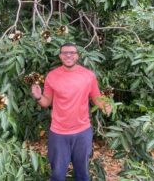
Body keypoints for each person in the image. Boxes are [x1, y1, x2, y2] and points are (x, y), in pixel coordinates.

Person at [31, 42, 112, 181]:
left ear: (77, 55)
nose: (68, 55)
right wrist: (38, 96)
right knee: (57, 175)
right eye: (65, 53)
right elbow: (46, 103)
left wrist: (108, 105)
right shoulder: (52, 76)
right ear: (60, 56)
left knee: (82, 174)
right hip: (58, 133)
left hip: (82, 133)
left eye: (72, 52)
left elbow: (97, 99)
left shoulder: (88, 76)